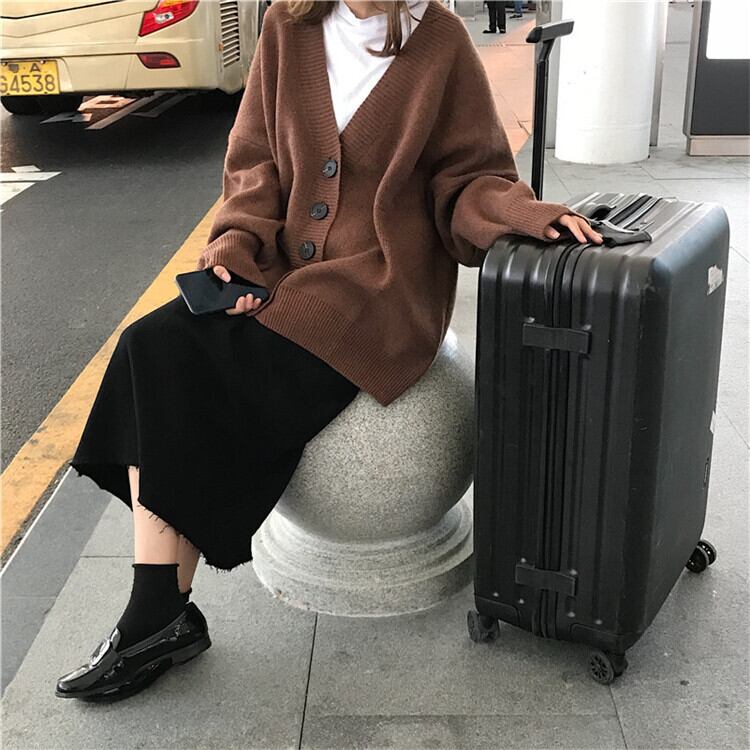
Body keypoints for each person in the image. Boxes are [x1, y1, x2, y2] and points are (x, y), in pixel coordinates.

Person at [56, 0, 602, 702]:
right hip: (282, 267)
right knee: (149, 347)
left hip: (378, 289)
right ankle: (162, 612)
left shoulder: (439, 44)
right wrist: (235, 250)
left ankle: (155, 617)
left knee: (199, 374)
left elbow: (469, 178)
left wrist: (526, 216)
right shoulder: (288, 25)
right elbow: (254, 162)